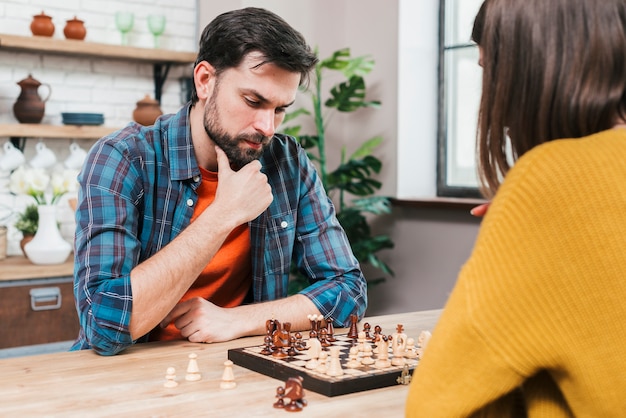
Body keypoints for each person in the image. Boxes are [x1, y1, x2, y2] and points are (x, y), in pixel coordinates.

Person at [71, 7, 367, 356]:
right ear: (205, 81)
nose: (267, 127)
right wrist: (223, 215)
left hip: (238, 367)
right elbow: (102, 323)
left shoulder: (287, 163)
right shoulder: (122, 158)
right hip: (130, 372)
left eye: (280, 109)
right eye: (253, 101)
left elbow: (348, 291)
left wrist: (237, 320)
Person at [406, 0, 626, 416]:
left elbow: (435, 406)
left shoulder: (550, 181)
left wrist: (531, 211)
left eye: (490, 72)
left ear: (531, 68)